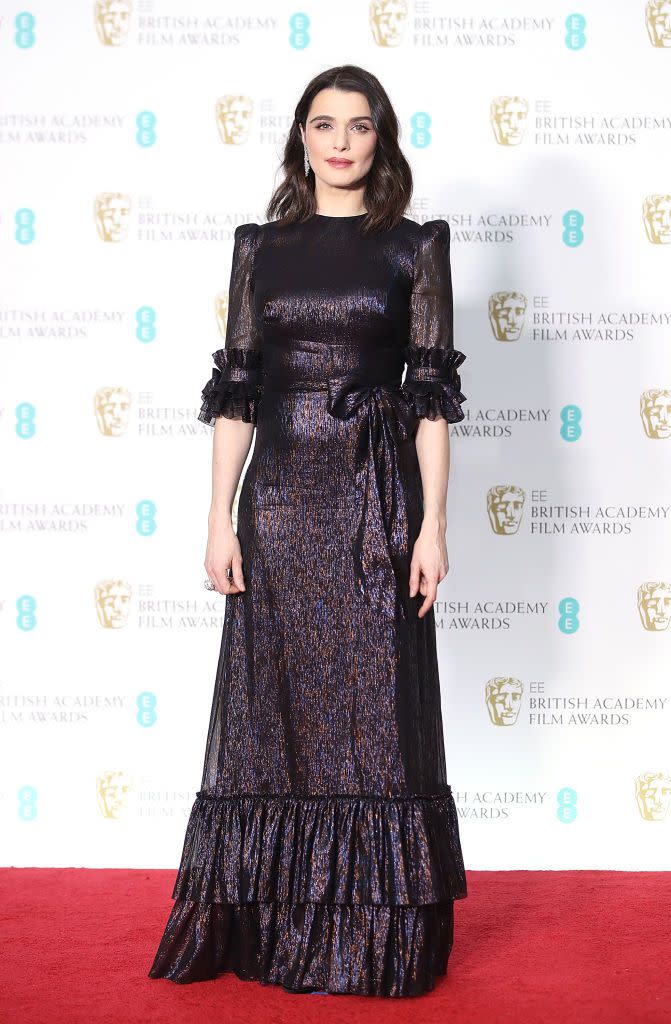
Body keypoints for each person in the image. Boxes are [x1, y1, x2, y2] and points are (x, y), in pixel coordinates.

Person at [148, 64, 468, 998]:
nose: (339, 142)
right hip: (279, 504)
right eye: (322, 124)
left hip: (376, 499)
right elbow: (236, 394)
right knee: (273, 715)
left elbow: (431, 403)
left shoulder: (415, 246)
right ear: (300, 137)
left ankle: (380, 947)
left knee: (376, 718)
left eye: (358, 126)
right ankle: (270, 932)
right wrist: (219, 516)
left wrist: (433, 526)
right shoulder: (260, 248)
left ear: (381, 140)